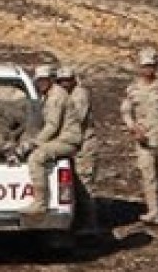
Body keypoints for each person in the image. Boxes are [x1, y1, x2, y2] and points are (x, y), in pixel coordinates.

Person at [120, 48, 158, 225]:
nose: (148, 70)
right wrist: (133, 128)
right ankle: (153, 211)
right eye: (145, 66)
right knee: (148, 175)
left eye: (151, 66)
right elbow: (125, 111)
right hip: (144, 139)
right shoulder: (132, 89)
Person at [21, 65, 81, 216]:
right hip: (59, 139)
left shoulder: (56, 97)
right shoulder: (48, 95)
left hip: (67, 140)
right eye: (39, 81)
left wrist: (34, 143)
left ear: (51, 80)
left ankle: (40, 203)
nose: (41, 83)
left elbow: (52, 126)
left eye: (44, 80)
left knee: (36, 158)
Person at [58, 66, 102, 237]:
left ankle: (90, 224)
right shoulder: (63, 96)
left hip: (84, 146)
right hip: (72, 145)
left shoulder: (79, 95)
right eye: (61, 81)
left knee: (85, 185)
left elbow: (77, 119)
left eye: (67, 80)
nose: (64, 84)